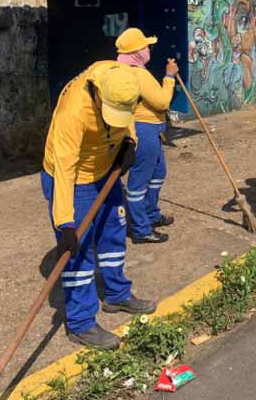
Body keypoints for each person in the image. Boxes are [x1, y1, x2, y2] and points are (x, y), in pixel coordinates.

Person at [42, 61, 156, 350]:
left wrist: (130, 141)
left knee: (114, 233)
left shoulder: (121, 79)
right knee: (78, 253)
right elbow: (65, 171)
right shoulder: (74, 111)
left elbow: (127, 113)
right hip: (74, 179)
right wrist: (66, 223)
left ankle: (117, 293)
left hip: (106, 170)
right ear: (96, 93)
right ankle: (81, 324)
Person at [114, 28, 178, 244]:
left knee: (159, 171)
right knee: (139, 181)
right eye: (146, 46)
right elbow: (161, 102)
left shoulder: (123, 69)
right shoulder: (138, 74)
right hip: (144, 129)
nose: (149, 49)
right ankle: (141, 228)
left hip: (150, 129)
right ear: (136, 51)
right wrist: (169, 77)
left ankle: (151, 214)